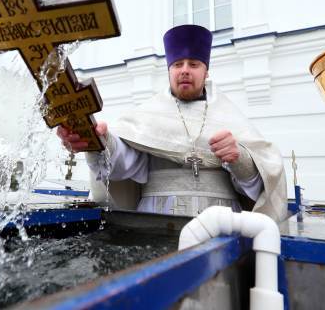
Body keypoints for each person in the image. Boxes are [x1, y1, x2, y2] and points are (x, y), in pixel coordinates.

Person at [57, 25, 287, 222]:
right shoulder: (147, 115)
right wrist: (101, 143)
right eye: (178, 64)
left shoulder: (230, 117)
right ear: (169, 71)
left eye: (194, 64)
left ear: (206, 71)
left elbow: (260, 189)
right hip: (153, 224)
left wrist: (241, 160)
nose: (185, 70)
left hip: (221, 226)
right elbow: (124, 164)